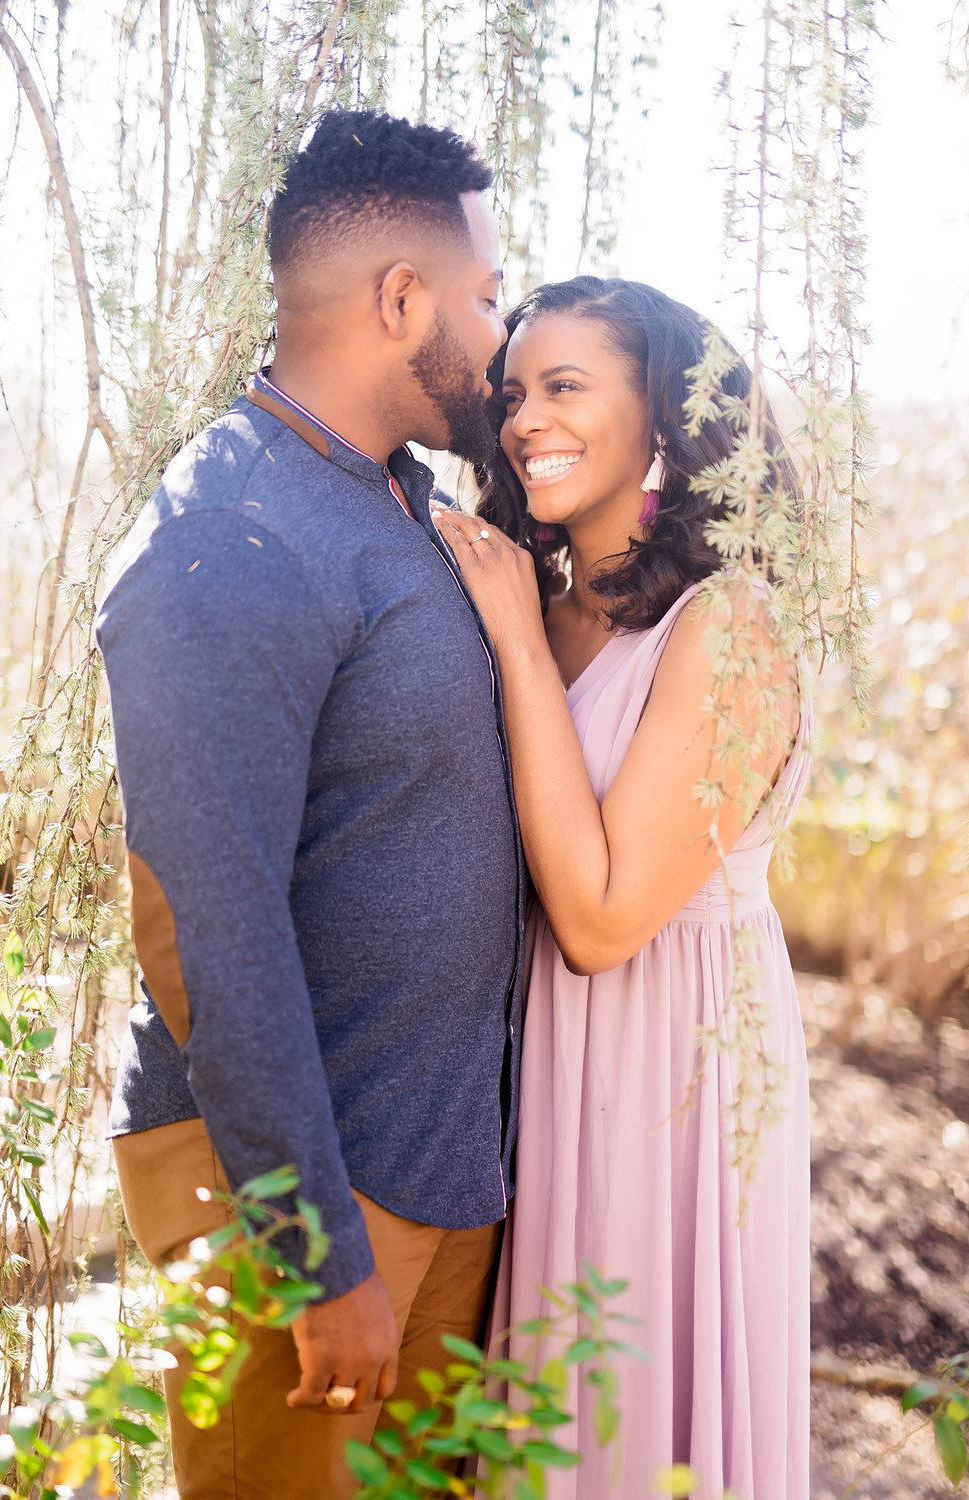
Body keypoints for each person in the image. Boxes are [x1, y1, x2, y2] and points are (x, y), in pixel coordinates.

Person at [96, 109, 525, 1500]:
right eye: (485, 297)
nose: (501, 336)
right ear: (401, 301)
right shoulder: (230, 535)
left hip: (440, 1178)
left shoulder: (400, 503)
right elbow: (205, 923)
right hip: (307, 1212)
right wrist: (313, 1252)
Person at [432, 276, 811, 1500]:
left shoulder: (731, 623)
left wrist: (509, 633)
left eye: (563, 387)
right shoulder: (538, 611)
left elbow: (598, 919)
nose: (523, 419)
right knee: (550, 1415)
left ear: (661, 414)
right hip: (547, 1065)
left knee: (638, 1411)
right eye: (511, 395)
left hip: (675, 1072)